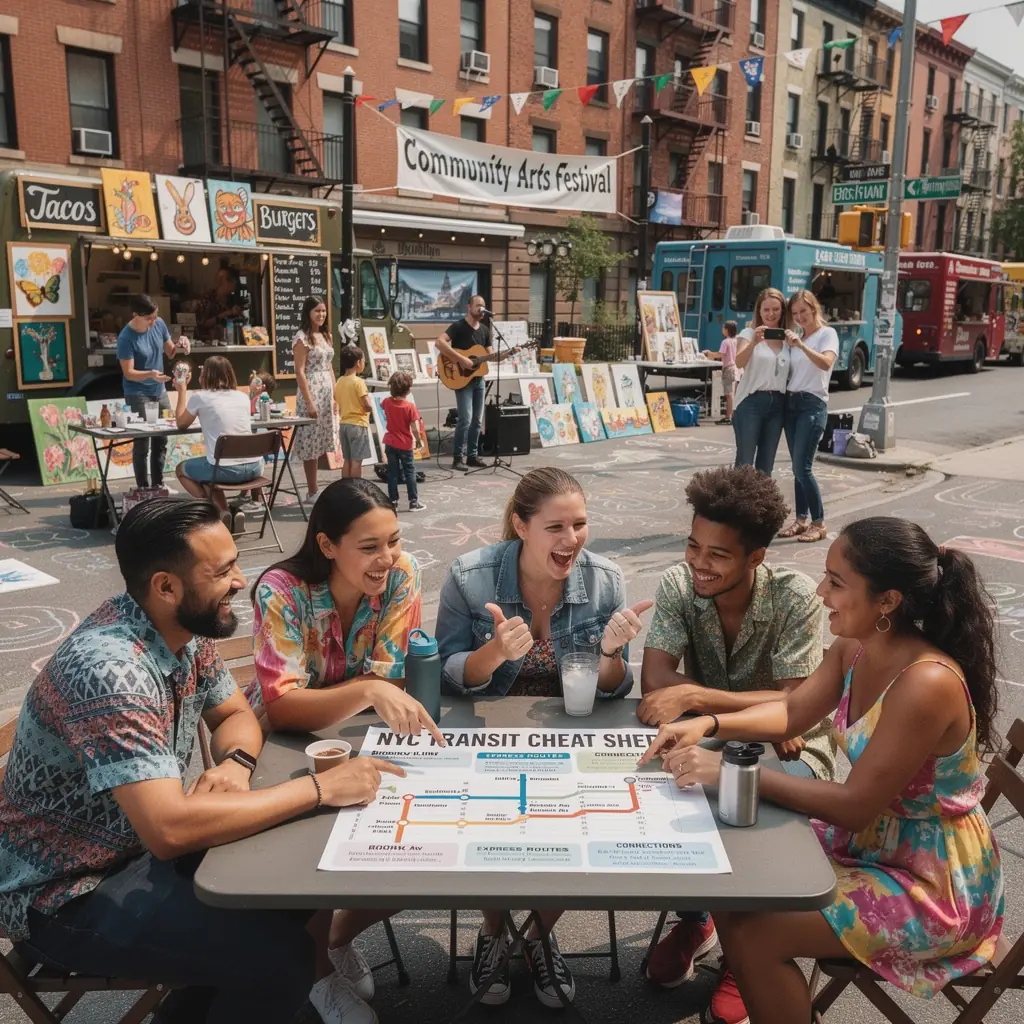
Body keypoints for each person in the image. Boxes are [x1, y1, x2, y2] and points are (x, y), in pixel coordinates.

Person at [0, 498, 404, 1024]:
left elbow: (235, 713)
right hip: (62, 894)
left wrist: (234, 763)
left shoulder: (180, 629)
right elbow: (168, 829)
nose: (240, 580)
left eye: (234, 562)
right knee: (281, 958)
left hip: (130, 854)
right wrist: (322, 789)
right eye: (222, 571)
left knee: (292, 886)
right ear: (166, 586)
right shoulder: (111, 670)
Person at [640, 517, 1004, 1024]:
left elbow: (855, 807)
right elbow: (791, 713)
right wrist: (710, 724)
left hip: (932, 885)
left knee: (755, 929)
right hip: (875, 847)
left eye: (836, 582)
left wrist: (730, 772)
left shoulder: (926, 683)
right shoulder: (854, 647)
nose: (820, 590)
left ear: (888, 601)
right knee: (729, 878)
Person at [436, 467, 652, 1008]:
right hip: (488, 733)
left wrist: (608, 655)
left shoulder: (604, 579)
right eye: (556, 526)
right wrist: (495, 653)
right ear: (520, 525)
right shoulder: (470, 575)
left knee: (589, 824)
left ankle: (533, 935)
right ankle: (492, 933)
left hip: (571, 731)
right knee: (486, 822)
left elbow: (615, 686)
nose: (572, 539)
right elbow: (445, 673)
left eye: (579, 524)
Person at [637, 465, 836, 1022]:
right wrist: (761, 706)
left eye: (718, 555)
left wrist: (699, 696)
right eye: (694, 545)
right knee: (655, 799)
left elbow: (796, 707)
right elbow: (655, 682)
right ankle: (701, 918)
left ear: (756, 559)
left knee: (747, 813)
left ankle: (742, 951)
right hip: (704, 741)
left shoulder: (797, 597)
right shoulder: (680, 583)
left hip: (792, 753)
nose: (699, 563)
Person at [247, 477, 443, 1005]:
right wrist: (370, 689)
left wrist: (373, 689)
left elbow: (390, 677)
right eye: (369, 546)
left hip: (361, 736)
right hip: (282, 747)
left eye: (394, 540)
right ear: (327, 546)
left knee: (419, 846)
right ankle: (316, 974)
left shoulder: (403, 574)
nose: (387, 557)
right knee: (305, 856)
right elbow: (283, 705)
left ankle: (331, 941)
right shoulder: (281, 590)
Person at [172, 356, 263, 532]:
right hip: (255, 468)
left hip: (225, 469)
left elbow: (181, 423)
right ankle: (224, 512)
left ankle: (212, 511)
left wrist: (182, 390)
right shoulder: (242, 397)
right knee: (209, 468)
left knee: (184, 469)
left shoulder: (200, 397)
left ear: (205, 375)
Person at [778, 290, 840, 544]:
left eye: (804, 311)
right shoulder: (799, 337)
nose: (800, 317)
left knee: (803, 468)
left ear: (814, 308)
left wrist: (801, 346)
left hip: (811, 405)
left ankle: (819, 522)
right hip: (791, 405)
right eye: (795, 314)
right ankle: (801, 519)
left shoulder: (827, 334)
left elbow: (826, 363)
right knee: (797, 468)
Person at [117, 293, 189, 491]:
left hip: (159, 389)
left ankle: (158, 484)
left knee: (162, 437)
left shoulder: (159, 325)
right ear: (135, 315)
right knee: (142, 442)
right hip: (137, 391)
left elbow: (170, 351)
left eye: (155, 317)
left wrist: (180, 343)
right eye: (149, 318)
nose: (153, 321)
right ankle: (143, 488)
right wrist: (150, 374)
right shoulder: (126, 337)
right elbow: (128, 373)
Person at [732, 287, 792, 475]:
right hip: (751, 402)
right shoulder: (748, 333)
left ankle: (760, 504)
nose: (771, 314)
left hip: (777, 405)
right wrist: (754, 343)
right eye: (766, 310)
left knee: (766, 465)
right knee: (745, 463)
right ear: (759, 311)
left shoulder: (787, 339)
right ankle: (738, 504)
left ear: (782, 310)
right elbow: (739, 362)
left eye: (775, 309)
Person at [436, 294, 491, 472]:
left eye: (483, 306)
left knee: (477, 420)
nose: (481, 309)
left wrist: (509, 353)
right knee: (465, 419)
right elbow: (439, 342)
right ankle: (457, 458)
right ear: (469, 308)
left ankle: (472, 456)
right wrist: (460, 359)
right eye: (478, 306)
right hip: (462, 379)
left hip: (479, 380)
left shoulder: (485, 330)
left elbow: (490, 354)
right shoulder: (459, 326)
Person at [292, 295, 338, 502]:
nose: (321, 315)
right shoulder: (302, 337)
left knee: (322, 440)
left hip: (326, 390)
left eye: (323, 311)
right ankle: (311, 490)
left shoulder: (326, 335)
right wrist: (309, 401)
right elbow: (299, 371)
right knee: (310, 442)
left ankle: (316, 487)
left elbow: (329, 366)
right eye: (317, 311)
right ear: (308, 313)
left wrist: (337, 394)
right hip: (311, 389)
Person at [382, 371, 425, 512]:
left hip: (390, 442)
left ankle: (393, 501)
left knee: (393, 473)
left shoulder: (387, 402)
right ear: (408, 390)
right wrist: (418, 440)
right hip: (405, 444)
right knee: (410, 472)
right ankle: (413, 502)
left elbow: (384, 406)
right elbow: (414, 428)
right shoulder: (409, 407)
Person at [333, 345, 373, 480]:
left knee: (347, 459)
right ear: (358, 363)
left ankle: (346, 486)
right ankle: (356, 487)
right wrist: (371, 407)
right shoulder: (359, 382)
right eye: (363, 361)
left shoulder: (339, 381)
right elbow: (366, 404)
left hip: (343, 424)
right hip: (358, 425)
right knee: (357, 460)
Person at [717, 319, 740, 425]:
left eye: (723, 328)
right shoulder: (737, 340)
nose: (722, 330)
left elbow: (720, 354)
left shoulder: (725, 342)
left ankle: (728, 416)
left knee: (729, 394)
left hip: (728, 368)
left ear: (727, 330)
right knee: (733, 393)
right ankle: (732, 414)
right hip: (736, 367)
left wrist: (708, 354)